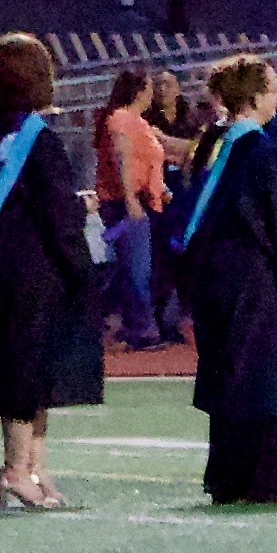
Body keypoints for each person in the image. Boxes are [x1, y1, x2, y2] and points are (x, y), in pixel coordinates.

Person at [0, 32, 99, 509]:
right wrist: (82, 253)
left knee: (20, 368)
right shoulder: (40, 140)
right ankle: (17, 468)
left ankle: (33, 466)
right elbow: (55, 215)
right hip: (37, 273)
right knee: (30, 370)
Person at [162, 53, 277, 504]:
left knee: (226, 375)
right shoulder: (261, 152)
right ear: (253, 96)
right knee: (260, 379)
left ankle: (226, 477)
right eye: (271, 87)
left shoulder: (211, 146)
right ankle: (260, 479)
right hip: (255, 279)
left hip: (214, 280)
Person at [87, 66, 175, 348]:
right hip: (127, 204)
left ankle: (130, 324)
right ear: (139, 91)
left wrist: (159, 189)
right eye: (149, 88)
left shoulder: (137, 122)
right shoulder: (123, 120)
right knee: (136, 269)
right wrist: (130, 199)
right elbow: (122, 161)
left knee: (130, 267)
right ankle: (140, 330)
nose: (153, 94)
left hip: (141, 201)